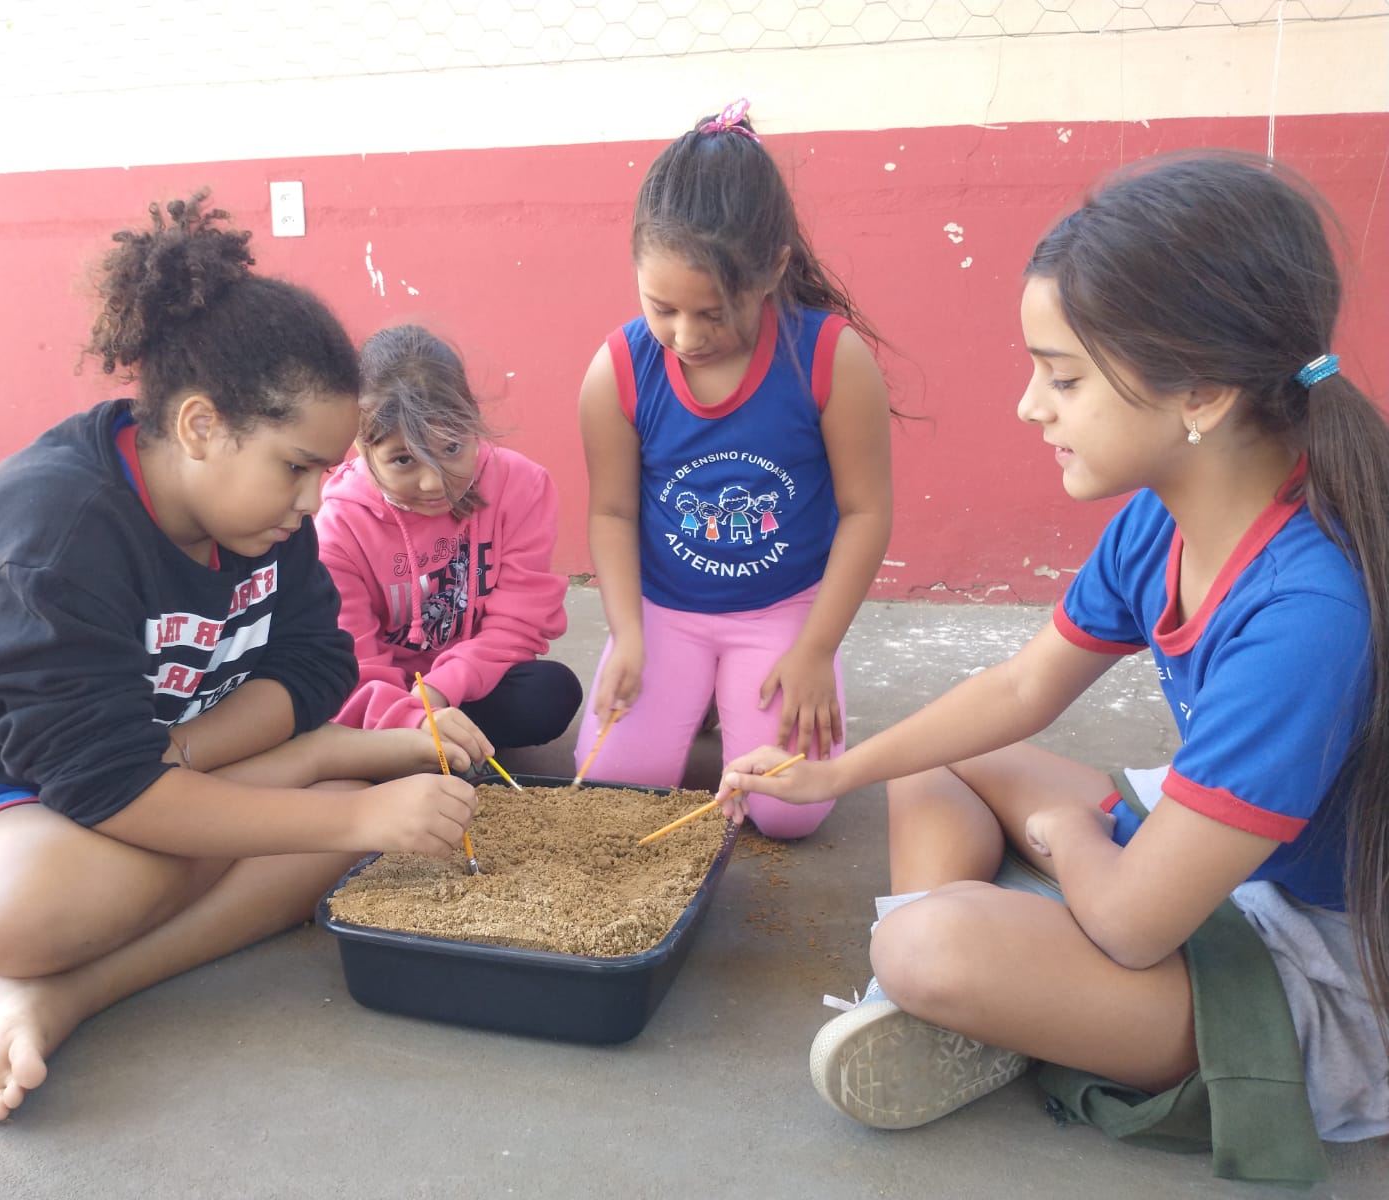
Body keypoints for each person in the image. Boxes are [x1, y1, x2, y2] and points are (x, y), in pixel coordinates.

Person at [719, 152, 1389, 1181]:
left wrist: (1065, 834)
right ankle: (965, 1008)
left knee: (926, 945)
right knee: (929, 761)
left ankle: (959, 992)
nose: (1031, 407)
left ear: (1202, 392)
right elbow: (1021, 689)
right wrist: (834, 773)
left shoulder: (1307, 614)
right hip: (1214, 862)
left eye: (1064, 377)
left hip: (1309, 962)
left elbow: (1129, 924)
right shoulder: (1161, 521)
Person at [0, 193, 478, 1125]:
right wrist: (347, 806)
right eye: (297, 466)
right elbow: (113, 794)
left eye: (327, 471)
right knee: (53, 902)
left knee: (317, 842)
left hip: (117, 779)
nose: (316, 500)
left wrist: (205, 759)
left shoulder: (261, 519)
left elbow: (317, 665)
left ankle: (67, 991)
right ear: (200, 426)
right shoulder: (45, 545)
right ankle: (277, 795)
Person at [576, 98, 894, 837]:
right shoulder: (618, 368)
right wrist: (627, 633)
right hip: (664, 613)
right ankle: (700, 706)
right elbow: (612, 512)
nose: (686, 336)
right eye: (662, 308)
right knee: (609, 795)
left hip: (783, 611)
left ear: (773, 268)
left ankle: (729, 700)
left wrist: (815, 649)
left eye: (714, 313)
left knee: (788, 812)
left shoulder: (830, 357)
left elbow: (865, 512)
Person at [316, 324, 581, 755]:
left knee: (549, 693)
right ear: (361, 446)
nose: (433, 482)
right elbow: (350, 663)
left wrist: (438, 692)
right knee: (316, 703)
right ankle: (417, 748)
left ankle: (433, 749)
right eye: (403, 460)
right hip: (380, 696)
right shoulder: (338, 531)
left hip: (467, 685)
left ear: (472, 420)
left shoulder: (523, 486)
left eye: (452, 448)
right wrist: (412, 717)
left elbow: (517, 625)